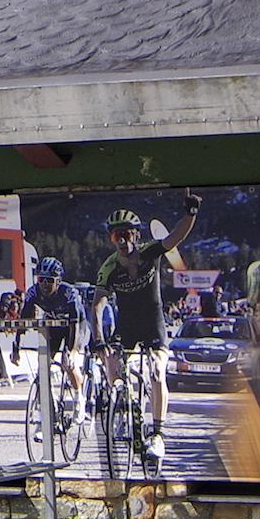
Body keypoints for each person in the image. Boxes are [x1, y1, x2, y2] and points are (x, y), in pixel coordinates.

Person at [92, 193, 203, 463]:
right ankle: (120, 405)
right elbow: (97, 305)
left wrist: (190, 214)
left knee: (156, 371)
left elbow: (176, 237)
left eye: (127, 234)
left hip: (153, 322)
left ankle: (158, 434)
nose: (121, 240)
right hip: (127, 324)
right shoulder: (109, 267)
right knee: (111, 361)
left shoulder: (150, 252)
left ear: (136, 236)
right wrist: (99, 339)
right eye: (116, 235)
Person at [20, 259, 87, 403]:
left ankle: (79, 398)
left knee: (69, 364)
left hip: (74, 326)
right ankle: (48, 404)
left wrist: (72, 352)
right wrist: (16, 346)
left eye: (49, 280)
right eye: (41, 279)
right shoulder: (33, 292)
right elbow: (23, 320)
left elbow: (74, 323)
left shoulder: (69, 293)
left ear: (58, 281)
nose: (44, 284)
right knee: (43, 365)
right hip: (54, 326)